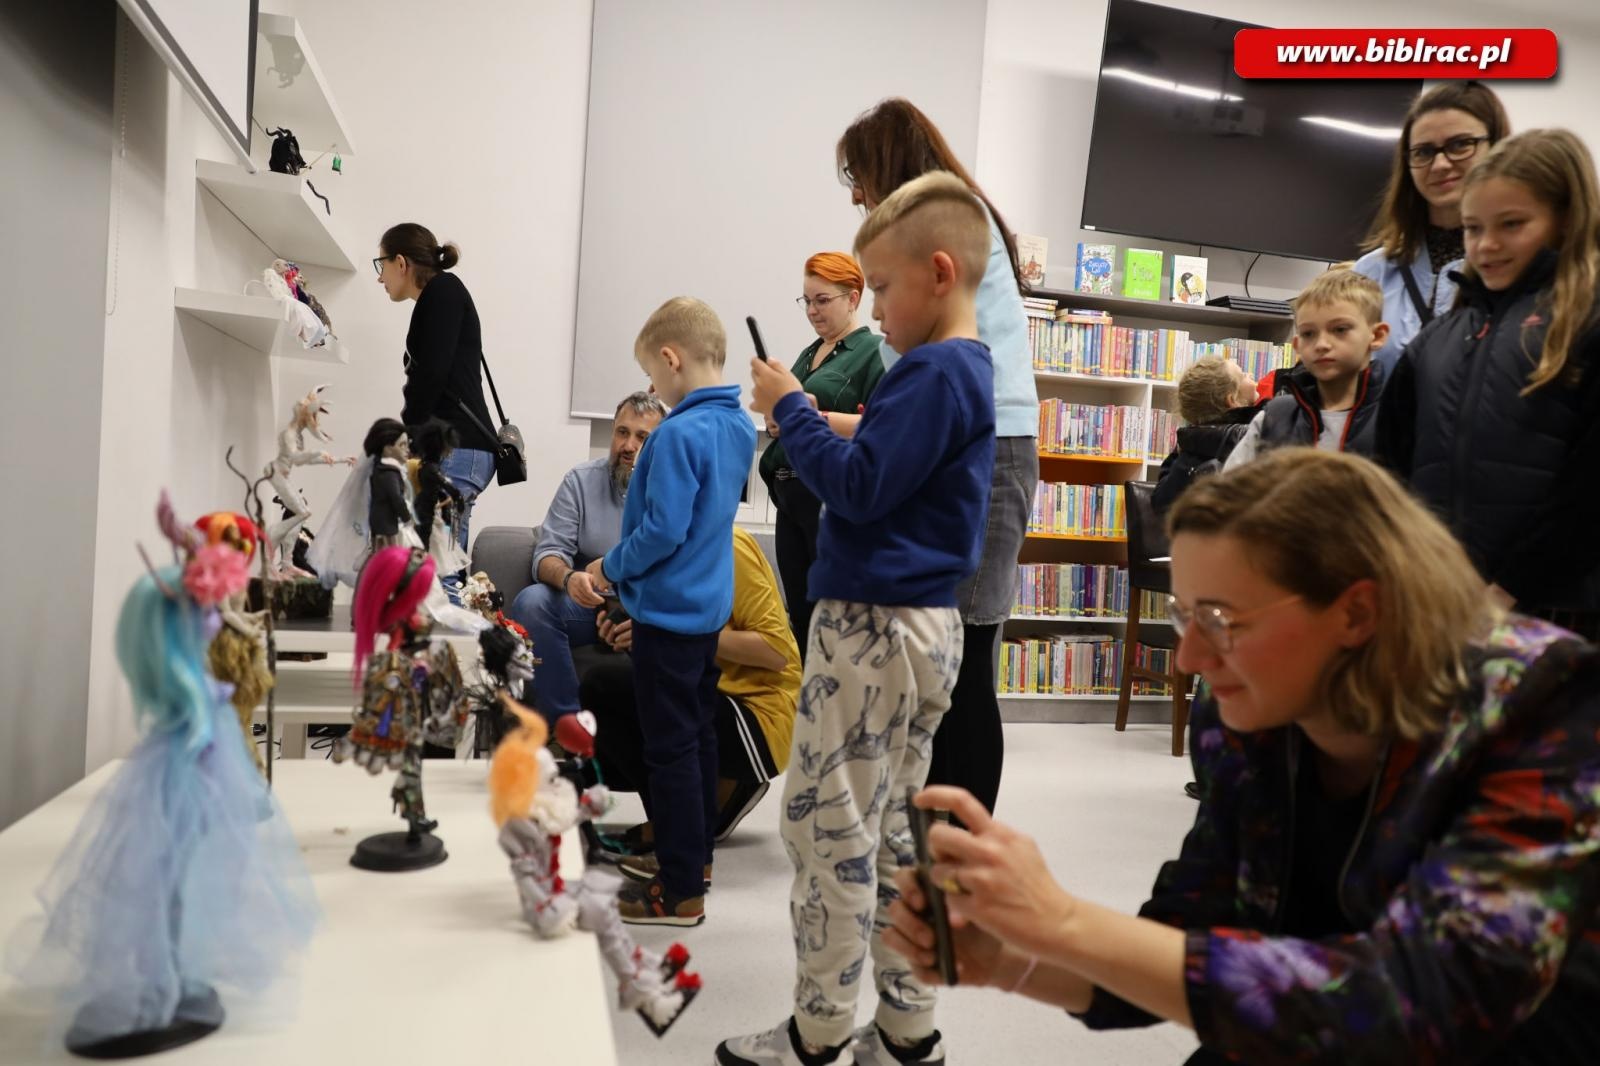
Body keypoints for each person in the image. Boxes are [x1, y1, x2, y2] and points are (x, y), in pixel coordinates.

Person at [883, 448, 1600, 1065]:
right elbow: (1190, 933)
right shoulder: (1252, 720)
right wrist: (1014, 960)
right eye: (1184, 616)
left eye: (1220, 619)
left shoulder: (1544, 705)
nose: (1189, 658)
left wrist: (1064, 922)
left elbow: (1427, 1004)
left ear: (1357, 612)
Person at [718, 172, 995, 1066]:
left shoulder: (929, 371)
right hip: (923, 626)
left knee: (826, 828)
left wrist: (790, 409)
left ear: (939, 273)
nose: (872, 308)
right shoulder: (964, 369)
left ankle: (819, 1029)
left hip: (871, 627)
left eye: (880, 286)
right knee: (894, 833)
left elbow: (859, 486)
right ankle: (907, 1027)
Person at [836, 96, 1038, 819]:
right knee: (945, 656)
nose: (856, 196)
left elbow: (929, 355)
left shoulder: (949, 224)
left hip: (991, 448)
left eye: (858, 177)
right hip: (975, 441)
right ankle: (939, 829)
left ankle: (964, 839)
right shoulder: (951, 221)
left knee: (966, 658)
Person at [1378, 128, 1600, 641]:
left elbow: (1589, 486)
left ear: (1566, 219)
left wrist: (1506, 590)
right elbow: (1391, 473)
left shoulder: (1585, 323)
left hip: (1561, 611)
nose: (1486, 245)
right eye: (1472, 228)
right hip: (1445, 603)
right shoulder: (1436, 341)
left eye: (1512, 224)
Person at [583, 298, 756, 927]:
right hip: (705, 612)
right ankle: (694, 859)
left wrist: (608, 569)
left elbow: (661, 532)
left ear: (670, 358)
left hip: (667, 615)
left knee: (670, 752)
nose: (653, 388)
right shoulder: (737, 425)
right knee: (697, 738)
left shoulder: (678, 433)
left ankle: (679, 892)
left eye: (652, 375)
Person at [578, 526, 801, 860]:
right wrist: (628, 626)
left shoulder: (730, 547)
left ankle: (680, 824)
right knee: (599, 709)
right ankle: (697, 807)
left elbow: (775, 651)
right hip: (710, 693)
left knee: (605, 686)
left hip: (760, 714)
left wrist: (666, 636)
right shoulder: (664, 555)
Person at [508, 391, 666, 721]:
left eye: (642, 437)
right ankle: (569, 727)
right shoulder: (580, 481)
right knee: (532, 602)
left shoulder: (673, 492)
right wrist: (569, 578)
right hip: (588, 604)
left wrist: (645, 621)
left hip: (648, 608)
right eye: (622, 432)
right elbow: (547, 554)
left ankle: (651, 735)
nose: (628, 445)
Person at [759, 252, 885, 661]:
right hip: (787, 495)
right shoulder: (808, 352)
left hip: (826, 497)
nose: (812, 310)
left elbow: (879, 427)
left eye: (822, 300)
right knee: (800, 616)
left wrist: (815, 415)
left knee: (832, 619)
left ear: (853, 298)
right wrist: (776, 418)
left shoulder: (873, 352)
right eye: (807, 301)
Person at [1352, 81, 1510, 372]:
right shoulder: (1370, 274)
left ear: (1498, 147)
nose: (1439, 165)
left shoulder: (1521, 269)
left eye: (1460, 144)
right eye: (1423, 152)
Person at [376, 223, 497, 568]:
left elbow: (431, 375)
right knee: (437, 563)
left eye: (381, 264)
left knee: (439, 568)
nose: (380, 277)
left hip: (458, 446)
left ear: (401, 262)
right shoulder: (441, 294)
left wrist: (406, 438)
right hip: (457, 446)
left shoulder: (443, 291)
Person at [1223, 270, 1388, 471]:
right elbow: (1230, 487)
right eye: (1308, 333)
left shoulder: (1399, 416)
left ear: (1377, 335)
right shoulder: (1274, 417)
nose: (1321, 344)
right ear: (1297, 345)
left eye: (1340, 329)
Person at [1151, 356, 1257, 516]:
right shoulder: (1251, 437)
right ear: (1232, 400)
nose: (1250, 375)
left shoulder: (1189, 445)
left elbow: (1161, 501)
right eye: (1243, 375)